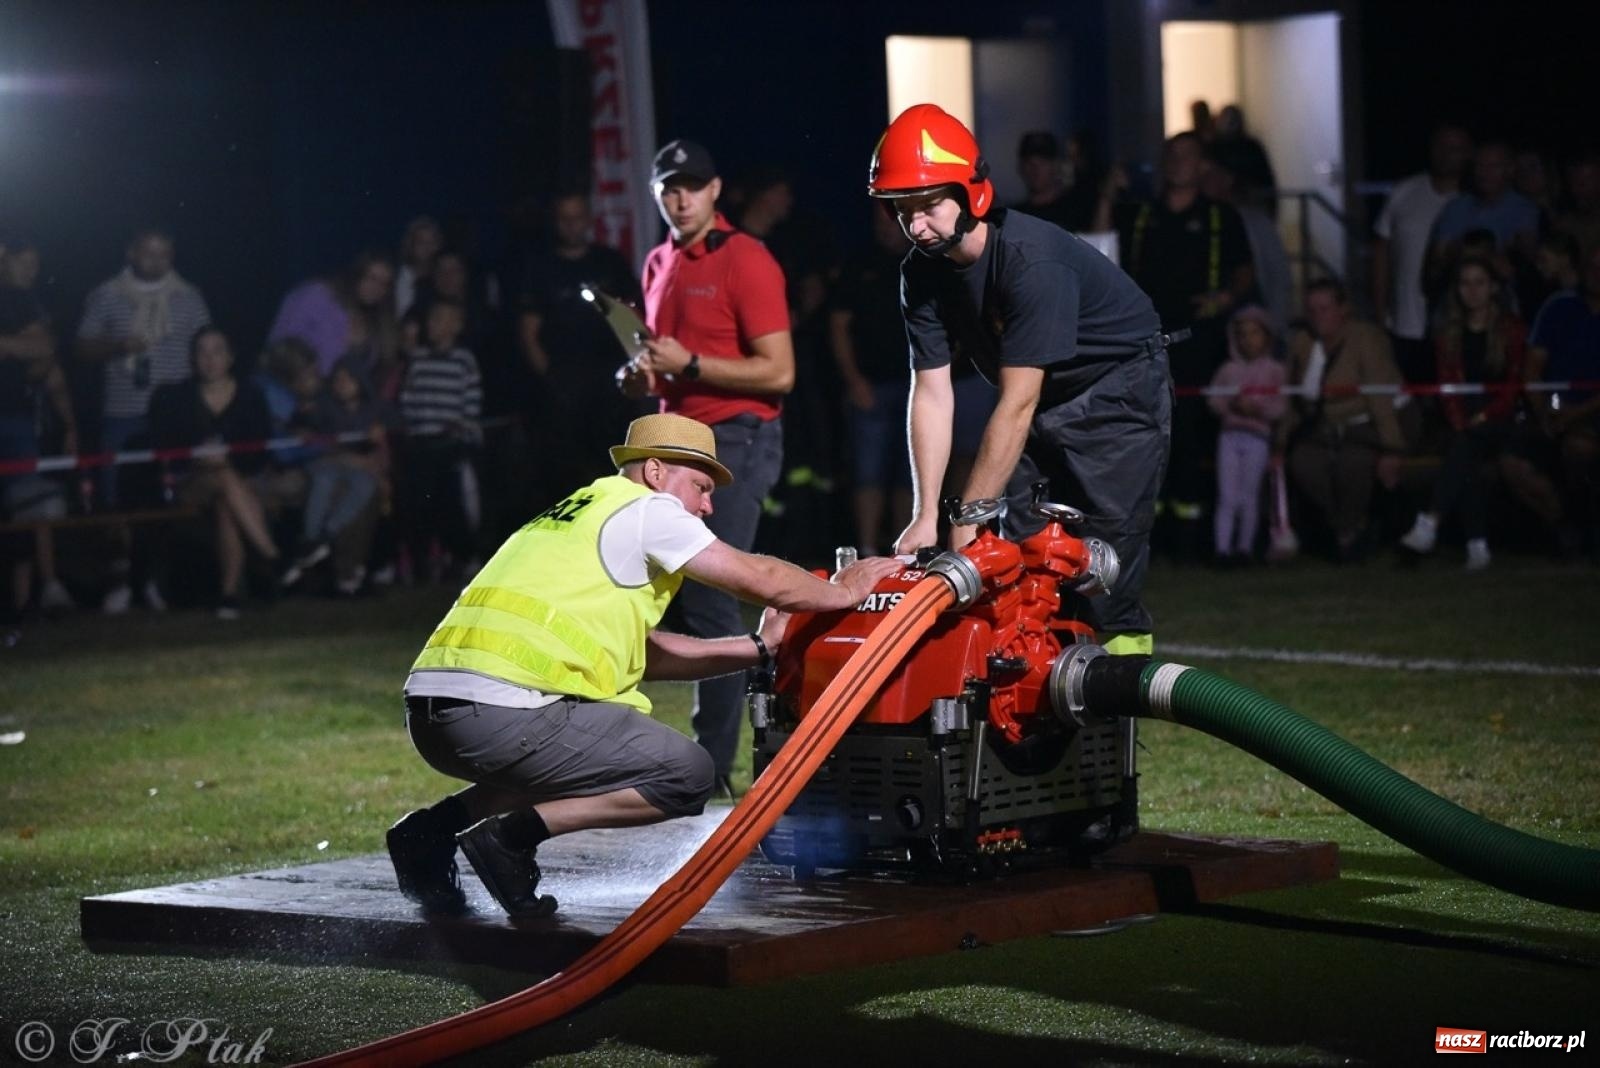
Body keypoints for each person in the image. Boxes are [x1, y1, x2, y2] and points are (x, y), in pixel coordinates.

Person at [386, 413, 900, 915]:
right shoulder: (649, 510)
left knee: (592, 758)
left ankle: (431, 831)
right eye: (701, 486)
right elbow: (759, 578)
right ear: (655, 472)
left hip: (437, 716)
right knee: (687, 773)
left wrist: (759, 647)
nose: (707, 506)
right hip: (502, 715)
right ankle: (511, 839)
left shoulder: (579, 511)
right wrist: (844, 591)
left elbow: (646, 654)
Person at [866, 103, 1172, 656]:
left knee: (1104, 561)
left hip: (1116, 388)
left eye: (929, 206)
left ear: (971, 193)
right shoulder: (921, 273)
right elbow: (932, 393)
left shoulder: (1030, 262)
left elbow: (1016, 405)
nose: (916, 226)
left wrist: (967, 516)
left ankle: (1120, 687)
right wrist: (926, 514)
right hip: (1038, 396)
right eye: (902, 210)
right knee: (1022, 551)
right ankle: (1035, 687)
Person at [620, 138, 794, 797]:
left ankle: (712, 769)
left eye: (692, 185)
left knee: (712, 600)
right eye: (669, 187)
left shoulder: (746, 258)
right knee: (660, 591)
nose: (680, 198)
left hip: (737, 439)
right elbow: (666, 368)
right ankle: (696, 761)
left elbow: (779, 373)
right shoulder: (657, 261)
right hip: (676, 441)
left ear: (716, 190)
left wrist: (688, 364)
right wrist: (642, 378)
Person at [1098, 131, 1255, 560]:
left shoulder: (1221, 216)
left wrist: (1224, 299)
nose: (1178, 162)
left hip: (1199, 346)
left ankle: (1194, 540)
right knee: (1145, 441)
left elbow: (1245, 272)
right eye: (1172, 154)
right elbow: (1099, 242)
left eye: (1188, 154)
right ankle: (1151, 540)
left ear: (1203, 164)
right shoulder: (1142, 214)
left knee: (1192, 440)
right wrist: (1109, 193)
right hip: (1143, 345)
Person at [75, 227, 212, 614]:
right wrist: (118, 346)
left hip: (174, 416)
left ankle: (155, 580)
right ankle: (120, 581)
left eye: (164, 253)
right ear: (131, 253)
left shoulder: (189, 296)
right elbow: (82, 347)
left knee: (169, 499)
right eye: (149, 253)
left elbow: (206, 345)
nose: (157, 260)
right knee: (116, 500)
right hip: (122, 413)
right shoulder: (106, 294)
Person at [1399, 258, 1526, 569]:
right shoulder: (1448, 334)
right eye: (1465, 283)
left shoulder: (1511, 329)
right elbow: (1447, 386)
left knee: (1464, 445)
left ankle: (1431, 521)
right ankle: (1477, 546)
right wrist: (1460, 420)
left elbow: (1512, 386)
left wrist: (1481, 417)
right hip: (1462, 420)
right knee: (1465, 452)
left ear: (1493, 287)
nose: (1472, 290)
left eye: (1479, 282)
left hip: (1501, 417)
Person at [149, 327, 280, 619]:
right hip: (192, 481)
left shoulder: (251, 396)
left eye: (217, 351)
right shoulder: (176, 398)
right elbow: (166, 448)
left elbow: (261, 450)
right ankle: (271, 555)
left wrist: (228, 458)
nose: (210, 359)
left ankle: (229, 595)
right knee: (222, 477)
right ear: (193, 359)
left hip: (242, 482)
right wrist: (198, 457)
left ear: (230, 357)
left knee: (225, 500)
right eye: (202, 352)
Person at [1277, 280, 1408, 561]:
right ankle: (1345, 525)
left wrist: (1392, 449)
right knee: (1304, 462)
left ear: (1343, 309)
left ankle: (1349, 532)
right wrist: (1279, 443)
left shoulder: (1365, 339)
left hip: (1377, 420)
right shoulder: (1302, 343)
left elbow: (1379, 396)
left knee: (1353, 462)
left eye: (1325, 309)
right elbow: (1293, 398)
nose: (1318, 316)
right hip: (1327, 424)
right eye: (1312, 310)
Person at [1371, 123, 1472, 383]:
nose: (1446, 154)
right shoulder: (1404, 191)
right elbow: (1381, 253)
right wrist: (1380, 314)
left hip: (1458, 327)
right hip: (1404, 325)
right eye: (1441, 146)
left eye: (1455, 148)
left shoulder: (1473, 202)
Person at [396, 298, 482, 584]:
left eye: (442, 319)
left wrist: (463, 426)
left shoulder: (463, 360)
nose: (434, 325)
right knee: (419, 503)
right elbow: (408, 395)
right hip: (422, 442)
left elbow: (472, 397)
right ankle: (421, 561)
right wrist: (411, 426)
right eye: (432, 319)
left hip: (450, 445)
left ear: (457, 325)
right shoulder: (418, 358)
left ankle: (460, 556)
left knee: (451, 503)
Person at [1207, 306, 1287, 564]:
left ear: (1266, 336)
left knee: (1249, 495)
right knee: (1227, 496)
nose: (1248, 340)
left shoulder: (1275, 371)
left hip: (1258, 438)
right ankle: (1222, 550)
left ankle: (1244, 549)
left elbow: (1280, 406)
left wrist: (1257, 409)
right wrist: (1232, 404)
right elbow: (1213, 399)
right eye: (1242, 334)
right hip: (1229, 437)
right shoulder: (1228, 369)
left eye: (1254, 333)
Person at [266, 250, 398, 377]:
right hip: (284, 383)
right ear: (357, 274)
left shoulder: (377, 327)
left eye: (384, 284)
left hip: (328, 392)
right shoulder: (319, 295)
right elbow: (281, 338)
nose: (376, 288)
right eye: (371, 278)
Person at [1011, 131, 1096, 234]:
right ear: (1021, 167)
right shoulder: (1012, 218)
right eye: (1030, 163)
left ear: (1056, 165)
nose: (1035, 170)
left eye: (1042, 163)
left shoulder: (1076, 209)